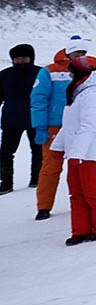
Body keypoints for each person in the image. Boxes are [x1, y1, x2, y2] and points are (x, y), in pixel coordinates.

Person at [49, 56, 96, 245]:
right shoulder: (79, 92)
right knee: (76, 192)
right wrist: (59, 146)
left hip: (90, 153)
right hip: (76, 152)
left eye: (71, 70)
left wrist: (77, 153)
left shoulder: (94, 94)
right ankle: (80, 230)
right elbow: (70, 125)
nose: (68, 74)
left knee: (91, 191)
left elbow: (89, 126)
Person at [30, 34, 88, 220]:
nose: (79, 55)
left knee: (82, 166)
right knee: (50, 168)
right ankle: (44, 206)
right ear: (68, 53)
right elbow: (38, 99)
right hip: (55, 127)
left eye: (82, 52)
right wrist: (40, 126)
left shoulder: (88, 70)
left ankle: (85, 200)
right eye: (76, 52)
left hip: (79, 126)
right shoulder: (49, 71)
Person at [1, 43, 42, 195]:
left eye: (24, 58)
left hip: (36, 119)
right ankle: (5, 183)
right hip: (11, 120)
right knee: (5, 153)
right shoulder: (4, 75)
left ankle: (36, 179)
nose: (21, 61)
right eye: (17, 58)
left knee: (38, 151)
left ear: (31, 58)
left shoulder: (41, 73)